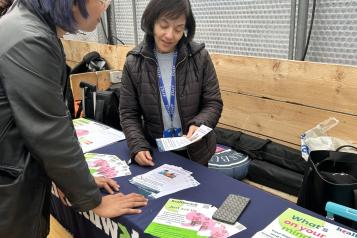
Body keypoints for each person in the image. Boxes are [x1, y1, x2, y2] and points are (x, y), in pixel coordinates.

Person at [0, 0, 147, 237]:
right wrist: (92, 200)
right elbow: (50, 134)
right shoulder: (31, 39)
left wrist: (81, 182)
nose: (106, 7)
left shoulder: (28, 26)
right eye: (102, 0)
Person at [120, 0, 223, 166]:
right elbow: (128, 113)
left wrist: (200, 124)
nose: (170, 35)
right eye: (164, 25)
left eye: (178, 28)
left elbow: (213, 102)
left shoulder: (200, 57)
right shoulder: (134, 62)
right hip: (157, 153)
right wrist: (137, 145)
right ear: (152, 22)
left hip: (196, 152)